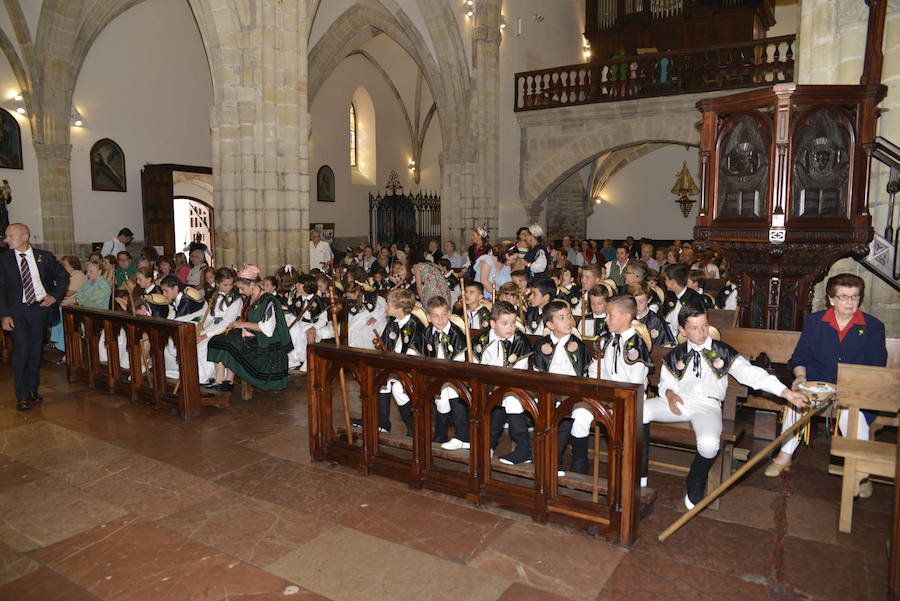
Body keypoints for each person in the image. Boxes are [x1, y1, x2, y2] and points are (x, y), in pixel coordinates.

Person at [643, 305, 808, 508]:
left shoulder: (721, 351)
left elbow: (751, 374)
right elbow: (665, 383)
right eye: (694, 328)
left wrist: (786, 392)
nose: (702, 333)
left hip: (706, 405)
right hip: (679, 402)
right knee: (639, 410)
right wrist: (668, 394)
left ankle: (696, 480)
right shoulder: (675, 354)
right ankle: (640, 474)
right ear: (683, 331)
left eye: (705, 326)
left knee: (709, 443)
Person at [765, 274, 888, 492]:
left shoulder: (873, 326)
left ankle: (860, 472)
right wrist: (801, 377)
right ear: (831, 299)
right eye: (844, 297)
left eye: (854, 297)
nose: (850, 302)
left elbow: (876, 366)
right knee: (796, 401)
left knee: (852, 414)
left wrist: (849, 388)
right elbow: (800, 356)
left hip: (854, 391)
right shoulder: (815, 321)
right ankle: (784, 456)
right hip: (818, 388)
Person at [565, 295, 652, 475]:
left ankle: (627, 472)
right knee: (579, 413)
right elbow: (596, 370)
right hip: (605, 396)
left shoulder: (635, 346)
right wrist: (599, 390)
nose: (605, 319)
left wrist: (609, 396)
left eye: (610, 315)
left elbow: (635, 383)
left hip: (629, 400)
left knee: (623, 427)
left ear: (627, 317)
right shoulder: (606, 340)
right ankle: (580, 464)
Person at [0, 223, 69, 410]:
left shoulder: (43, 256)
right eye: (6, 236)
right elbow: (1, 290)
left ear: (25, 237)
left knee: (35, 351)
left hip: (39, 310)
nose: (7, 240)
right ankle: (21, 395)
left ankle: (33, 390)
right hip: (17, 313)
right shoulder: (4, 260)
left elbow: (63, 276)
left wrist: (54, 296)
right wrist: (4, 315)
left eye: (11, 236)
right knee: (21, 351)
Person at [533, 300, 597, 471]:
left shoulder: (578, 345)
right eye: (561, 318)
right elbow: (537, 373)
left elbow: (585, 374)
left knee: (569, 414)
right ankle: (546, 458)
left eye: (569, 316)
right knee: (551, 412)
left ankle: (575, 462)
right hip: (550, 392)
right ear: (550, 324)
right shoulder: (542, 344)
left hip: (574, 393)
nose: (568, 321)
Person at [206, 265, 293, 392]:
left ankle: (228, 381)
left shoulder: (269, 301)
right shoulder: (250, 298)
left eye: (242, 288)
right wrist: (239, 322)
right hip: (252, 336)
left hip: (265, 345)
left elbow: (267, 329)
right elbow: (249, 318)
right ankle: (221, 381)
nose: (240, 291)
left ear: (252, 284)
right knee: (217, 340)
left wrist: (243, 324)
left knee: (230, 344)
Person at [470, 301, 532, 461]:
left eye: (513, 323)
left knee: (511, 400)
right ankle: (487, 445)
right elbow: (475, 367)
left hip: (513, 386)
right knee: (491, 404)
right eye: (505, 323)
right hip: (487, 386)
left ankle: (524, 450)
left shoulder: (520, 342)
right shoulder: (480, 341)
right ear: (492, 324)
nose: (510, 328)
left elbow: (520, 372)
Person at [420, 296, 468, 447]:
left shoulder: (456, 334)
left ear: (449, 314)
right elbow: (420, 354)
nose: (440, 320)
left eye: (443, 315)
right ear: (428, 317)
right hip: (436, 375)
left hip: (455, 375)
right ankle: (441, 434)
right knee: (441, 403)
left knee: (456, 400)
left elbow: (461, 360)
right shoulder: (426, 333)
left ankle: (463, 437)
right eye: (435, 316)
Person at [49, 255, 86, 353]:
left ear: (72, 265)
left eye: (64, 265)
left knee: (61, 315)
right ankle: (56, 341)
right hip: (65, 303)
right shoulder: (67, 275)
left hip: (75, 304)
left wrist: (55, 293)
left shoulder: (78, 275)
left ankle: (62, 344)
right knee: (55, 312)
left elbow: (71, 292)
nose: (62, 267)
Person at [660, 263, 705, 340]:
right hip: (668, 336)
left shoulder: (694, 299)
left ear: (673, 282)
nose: (664, 282)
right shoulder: (671, 296)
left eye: (666, 279)